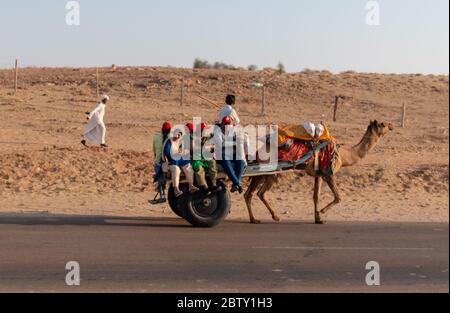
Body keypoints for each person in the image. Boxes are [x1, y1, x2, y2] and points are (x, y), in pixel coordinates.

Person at [163, 129, 199, 198]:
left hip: (178, 159)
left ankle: (191, 185)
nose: (178, 136)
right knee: (176, 170)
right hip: (170, 162)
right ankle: (176, 189)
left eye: (179, 135)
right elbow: (166, 153)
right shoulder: (169, 141)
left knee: (188, 167)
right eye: (177, 134)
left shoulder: (180, 141)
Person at [216, 116, 247, 194]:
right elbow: (220, 144)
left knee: (240, 161)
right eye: (225, 124)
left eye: (228, 124)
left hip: (233, 154)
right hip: (222, 155)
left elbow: (241, 141)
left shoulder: (236, 130)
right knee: (226, 162)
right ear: (222, 125)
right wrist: (233, 143)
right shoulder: (218, 131)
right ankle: (238, 183)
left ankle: (236, 184)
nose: (227, 126)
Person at [189, 123, 220, 194]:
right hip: (195, 158)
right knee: (198, 168)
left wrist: (211, 148)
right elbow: (192, 149)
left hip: (205, 157)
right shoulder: (193, 137)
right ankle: (204, 186)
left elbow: (212, 146)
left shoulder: (208, 137)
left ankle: (213, 184)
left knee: (212, 162)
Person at [150, 121, 172, 204]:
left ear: (162, 129)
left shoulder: (156, 137)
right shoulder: (172, 137)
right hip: (169, 163)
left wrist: (157, 158)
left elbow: (154, 151)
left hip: (159, 163)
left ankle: (162, 195)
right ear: (170, 130)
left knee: (158, 177)